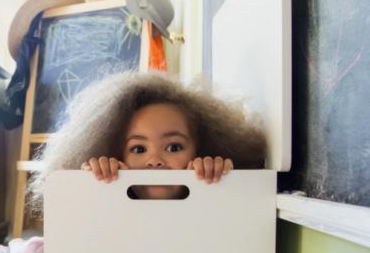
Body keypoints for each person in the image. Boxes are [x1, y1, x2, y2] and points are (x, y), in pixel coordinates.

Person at [28, 71, 266, 206]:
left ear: (201, 148)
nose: (155, 161)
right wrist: (92, 183)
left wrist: (221, 176)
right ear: (116, 154)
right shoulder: (104, 195)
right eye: (139, 149)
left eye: (174, 147)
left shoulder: (216, 193)